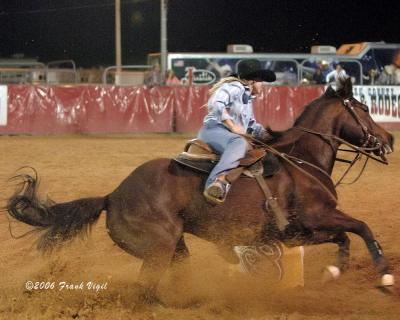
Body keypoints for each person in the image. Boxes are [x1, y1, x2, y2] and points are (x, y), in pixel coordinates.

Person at [198, 59, 276, 204]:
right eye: (261, 81)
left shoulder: (246, 99)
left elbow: (251, 125)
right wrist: (231, 125)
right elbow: (215, 103)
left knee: (249, 146)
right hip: (214, 129)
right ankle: (217, 183)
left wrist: (272, 138)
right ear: (253, 80)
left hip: (221, 133)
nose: (262, 85)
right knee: (238, 142)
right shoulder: (235, 87)